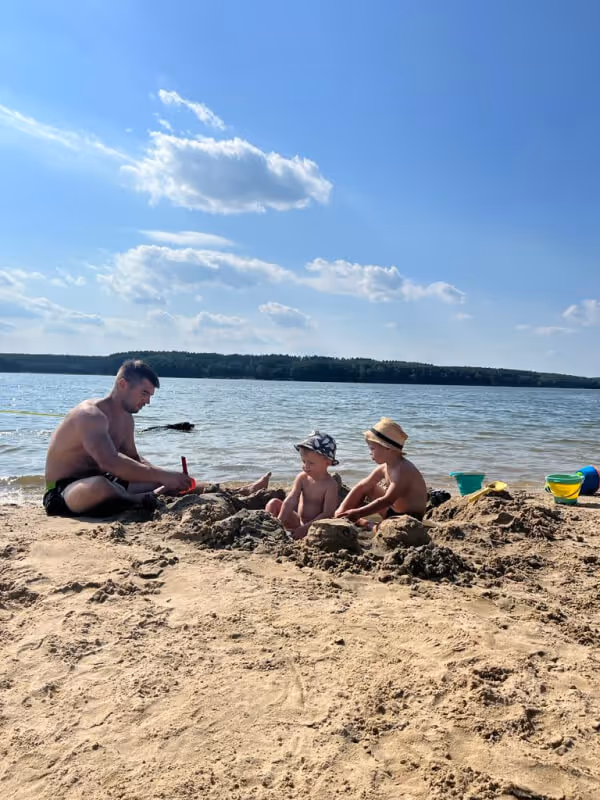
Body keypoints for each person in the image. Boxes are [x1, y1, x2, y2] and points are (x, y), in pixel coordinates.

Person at [43, 359, 194, 517]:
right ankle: (136, 499)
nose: (148, 401)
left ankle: (207, 487)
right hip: (64, 491)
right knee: (101, 486)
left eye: (150, 395)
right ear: (123, 384)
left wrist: (168, 477)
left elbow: (133, 460)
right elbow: (109, 462)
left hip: (108, 482)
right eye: (144, 393)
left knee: (165, 482)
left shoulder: (126, 419)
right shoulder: (90, 415)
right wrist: (163, 476)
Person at [335, 417, 427, 524]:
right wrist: (341, 510)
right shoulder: (385, 467)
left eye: (372, 449)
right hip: (393, 512)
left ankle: (367, 524)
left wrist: (358, 512)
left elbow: (387, 500)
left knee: (381, 530)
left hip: (409, 520)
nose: (370, 453)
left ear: (387, 448)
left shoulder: (402, 470)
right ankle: (342, 515)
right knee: (368, 486)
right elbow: (362, 486)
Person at [266, 431, 339, 540]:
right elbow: (291, 500)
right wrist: (280, 522)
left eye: (311, 463)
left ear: (327, 462)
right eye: (303, 461)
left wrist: (305, 528)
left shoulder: (330, 485)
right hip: (299, 521)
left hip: (316, 526)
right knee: (274, 503)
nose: (306, 466)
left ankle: (297, 534)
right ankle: (270, 529)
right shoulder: (302, 478)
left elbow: (327, 514)